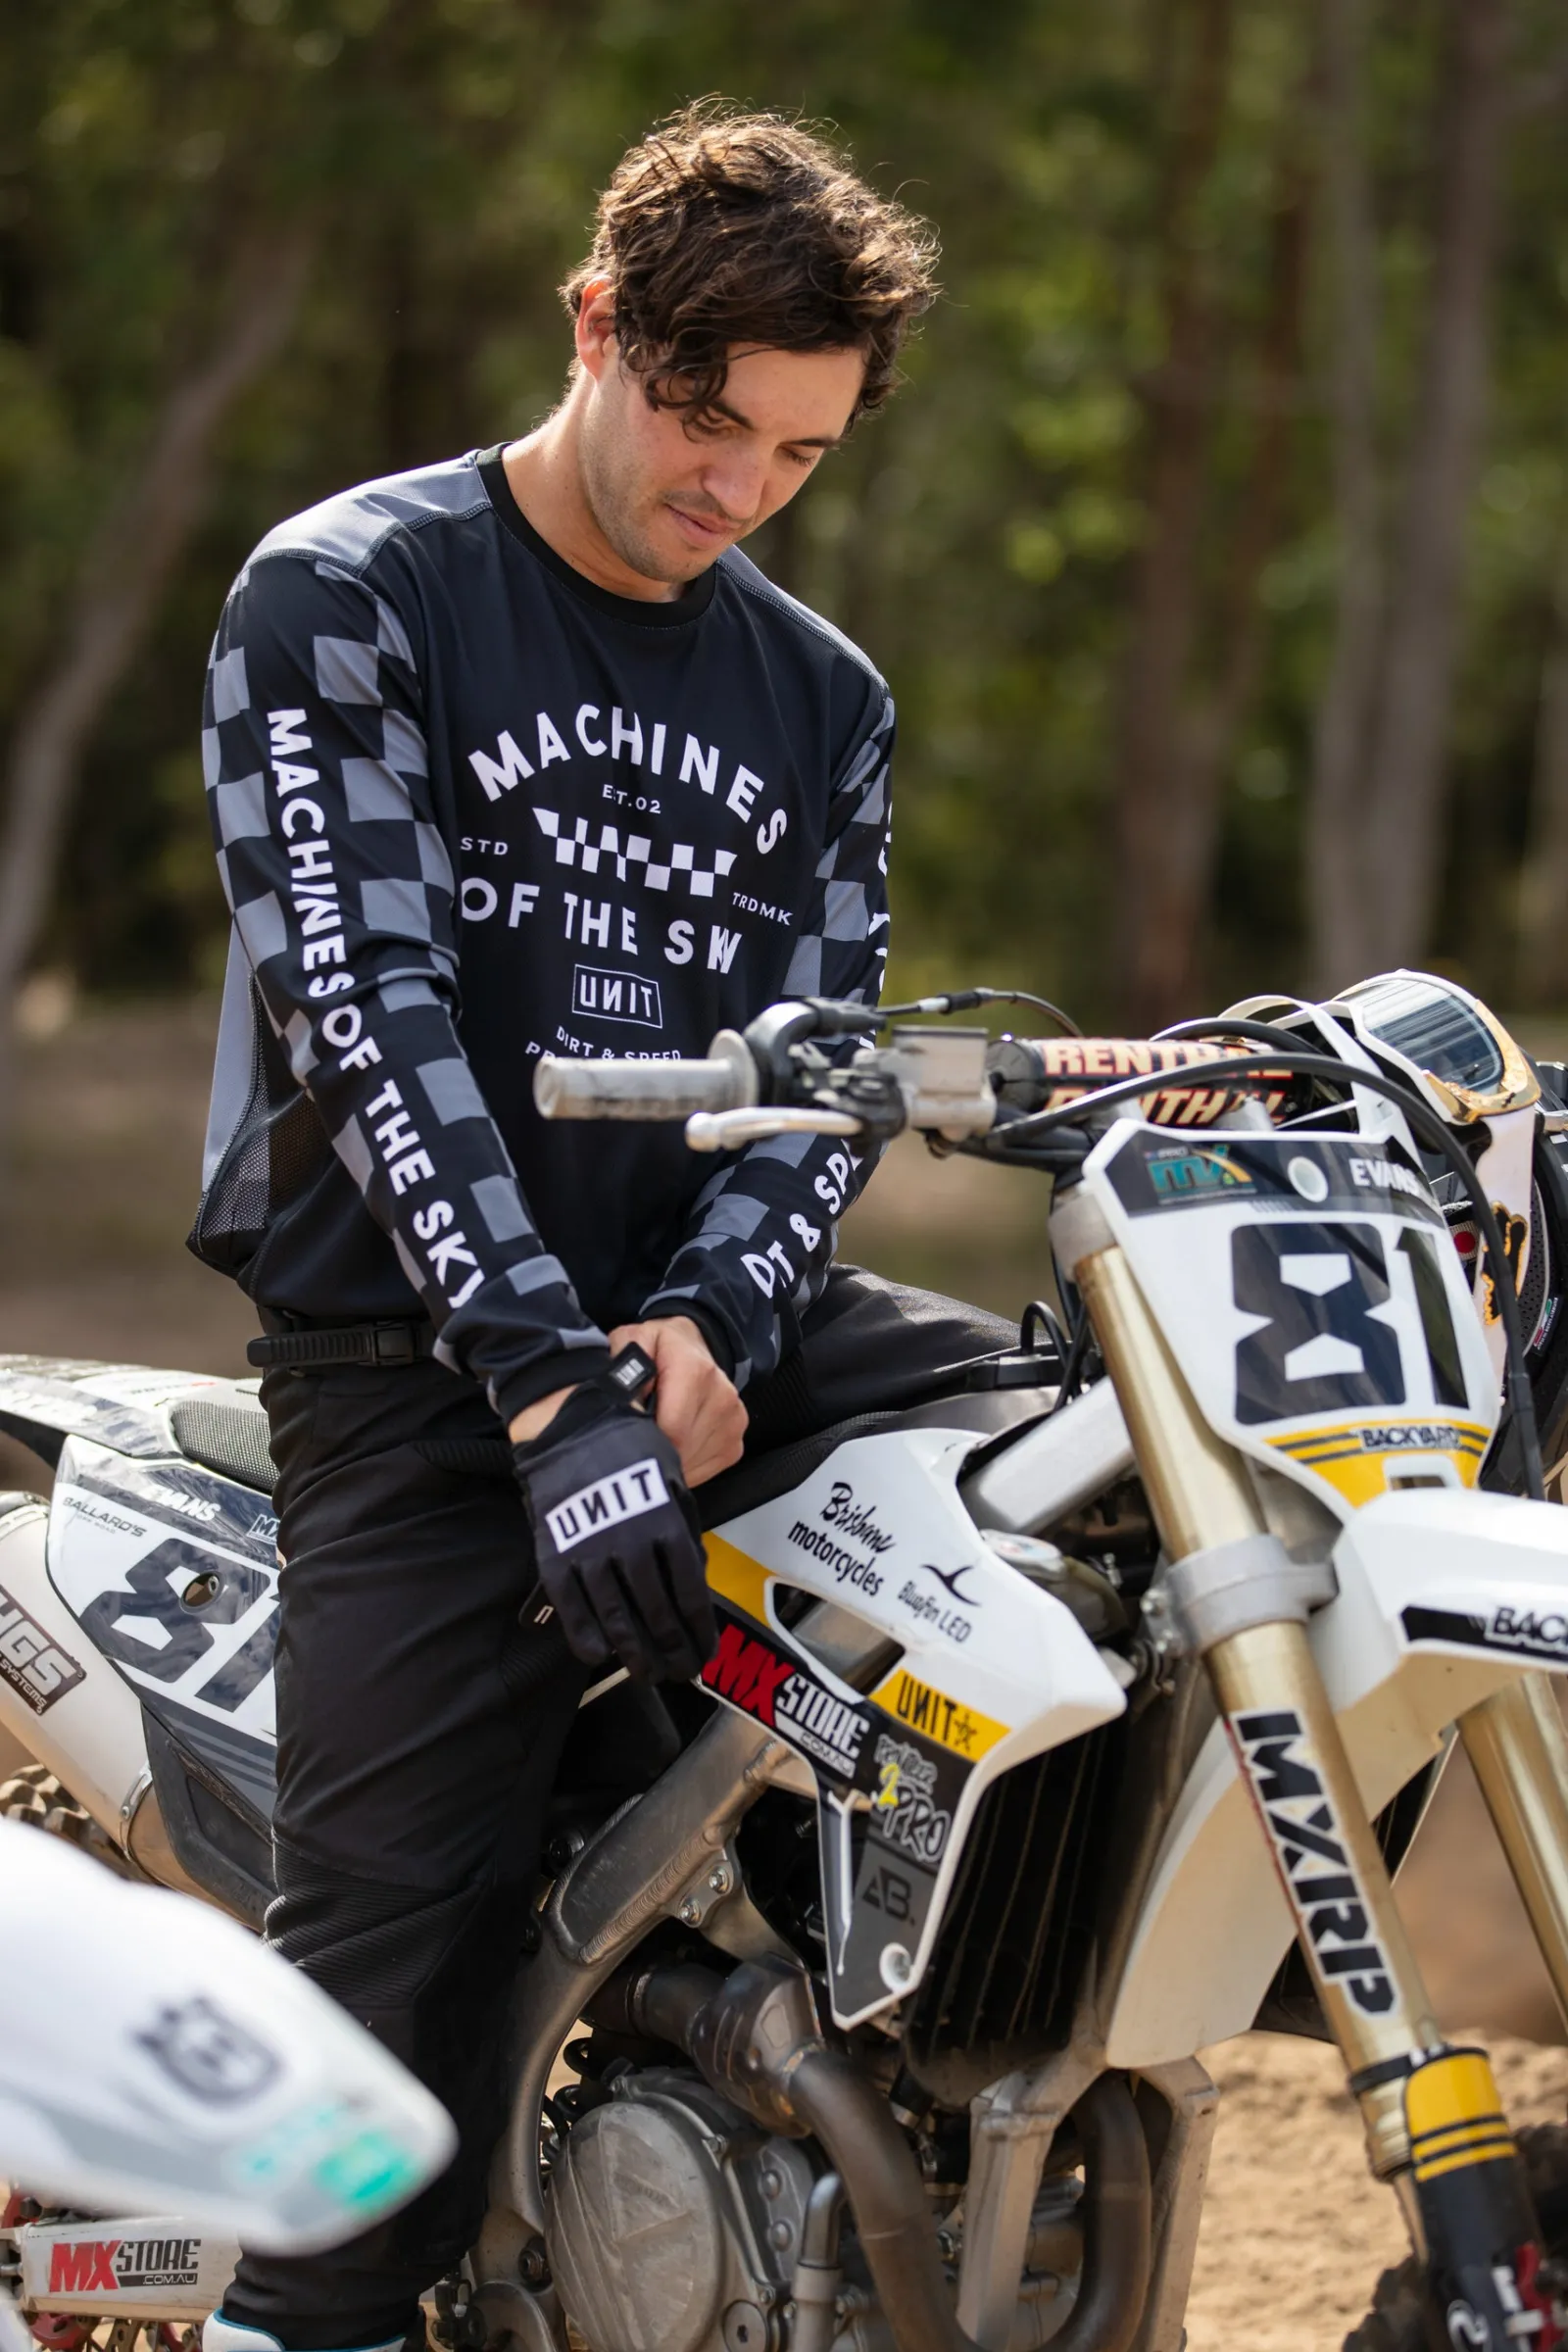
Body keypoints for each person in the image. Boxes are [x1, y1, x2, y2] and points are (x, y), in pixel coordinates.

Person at [192, 105, 1014, 2352]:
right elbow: (367, 1023)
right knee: (375, 2020)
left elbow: (819, 1082)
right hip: (416, 1362)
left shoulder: (822, 699)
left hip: (695, 1331)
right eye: (700, 417)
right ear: (594, 323)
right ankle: (306, 2310)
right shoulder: (345, 595)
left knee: (1069, 1449)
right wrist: (557, 1392)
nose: (737, 486)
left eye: (797, 452)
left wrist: (708, 1331)